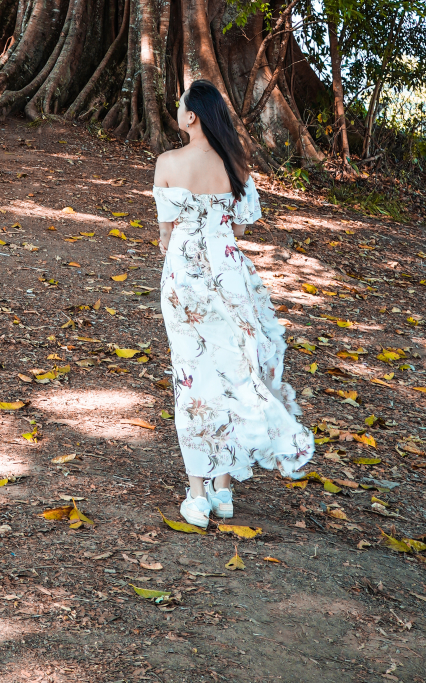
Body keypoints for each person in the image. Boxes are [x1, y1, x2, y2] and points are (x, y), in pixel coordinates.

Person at [154, 76, 314, 529]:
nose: (178, 111)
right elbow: (240, 230)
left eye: (181, 105)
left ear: (192, 115)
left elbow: (166, 234)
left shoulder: (167, 161)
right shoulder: (237, 165)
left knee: (191, 377)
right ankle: (224, 492)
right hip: (229, 275)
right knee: (230, 372)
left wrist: (184, 239)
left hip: (184, 276)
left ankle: (199, 495)